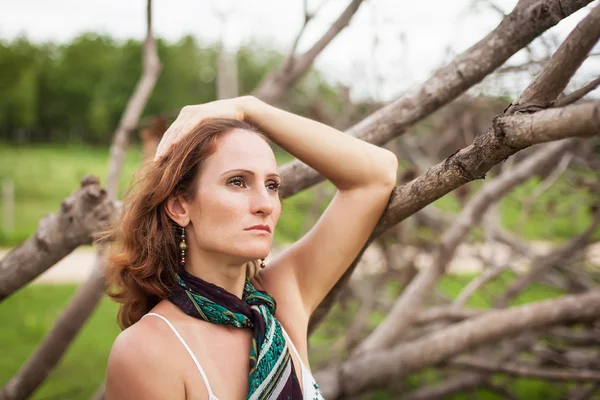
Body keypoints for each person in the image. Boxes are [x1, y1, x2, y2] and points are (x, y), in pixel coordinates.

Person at [104, 95, 398, 399]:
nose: (265, 205)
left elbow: (377, 175)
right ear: (180, 206)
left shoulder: (280, 299)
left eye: (271, 186)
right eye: (237, 182)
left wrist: (251, 108)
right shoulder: (148, 351)